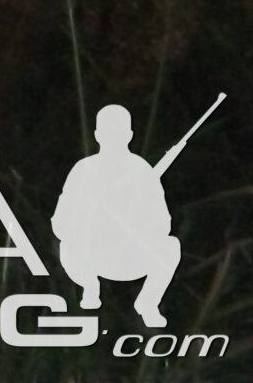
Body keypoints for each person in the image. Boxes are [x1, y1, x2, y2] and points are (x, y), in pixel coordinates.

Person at [54, 103, 186, 331]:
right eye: (108, 131)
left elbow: (163, 223)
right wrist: (88, 222)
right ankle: (89, 286)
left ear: (129, 135)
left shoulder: (142, 171)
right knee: (66, 246)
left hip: (129, 255)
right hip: (90, 256)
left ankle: (148, 303)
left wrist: (135, 223)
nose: (113, 137)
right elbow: (61, 222)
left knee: (171, 247)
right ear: (97, 135)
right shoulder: (83, 170)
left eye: (118, 132)